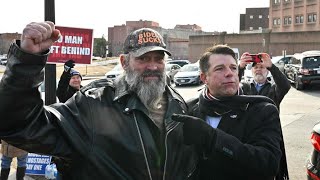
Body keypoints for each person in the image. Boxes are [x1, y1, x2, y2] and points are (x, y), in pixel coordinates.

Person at [0, 22, 198, 179]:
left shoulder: (177, 103)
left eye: (158, 58)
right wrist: (26, 62)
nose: (153, 66)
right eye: (143, 59)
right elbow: (20, 126)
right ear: (124, 62)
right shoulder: (94, 106)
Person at [172, 45, 283, 180]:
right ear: (204, 78)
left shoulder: (262, 110)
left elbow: (269, 164)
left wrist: (214, 138)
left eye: (233, 68)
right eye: (220, 68)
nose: (229, 73)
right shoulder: (189, 109)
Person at [238, 52, 290, 179]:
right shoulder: (244, 88)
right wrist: (240, 67)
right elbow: (231, 84)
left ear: (267, 71)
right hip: (248, 135)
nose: (258, 70)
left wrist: (272, 66)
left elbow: (285, 85)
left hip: (269, 135)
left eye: (262, 67)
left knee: (270, 170)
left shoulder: (273, 89)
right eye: (255, 67)